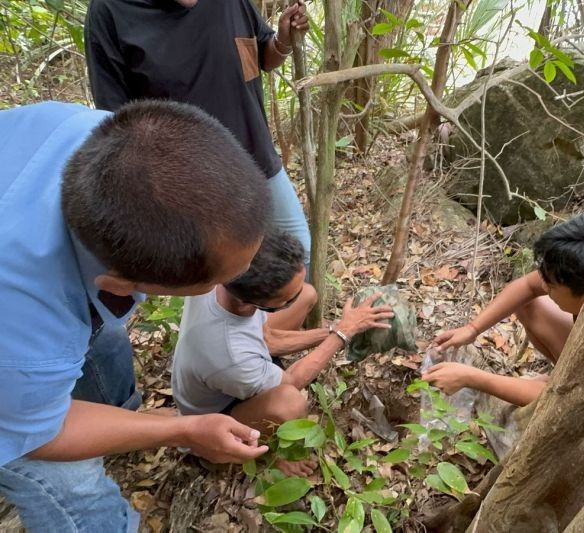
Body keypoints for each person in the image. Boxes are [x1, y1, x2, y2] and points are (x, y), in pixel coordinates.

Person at [0, 100, 276, 532]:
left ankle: (122, 425)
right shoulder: (25, 342)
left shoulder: (115, 142)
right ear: (121, 286)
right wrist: (181, 431)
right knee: (73, 490)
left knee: (105, 346)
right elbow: (44, 435)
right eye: (228, 277)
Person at [83, 0, 313, 267]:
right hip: (189, 187)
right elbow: (114, 118)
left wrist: (283, 39)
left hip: (255, 157)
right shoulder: (110, 10)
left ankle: (283, 310)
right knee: (219, 278)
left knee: (299, 254)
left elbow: (262, 56)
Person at [172, 232, 394, 474]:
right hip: (215, 415)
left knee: (308, 295)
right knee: (289, 403)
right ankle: (249, 453)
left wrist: (338, 328)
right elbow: (291, 382)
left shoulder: (226, 273)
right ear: (250, 304)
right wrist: (342, 335)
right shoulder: (231, 355)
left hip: (226, 371)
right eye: (286, 301)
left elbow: (268, 338)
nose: (294, 300)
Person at [423, 210, 584, 406]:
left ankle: (563, 378)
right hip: (583, 360)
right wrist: (472, 329)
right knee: (530, 304)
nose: (544, 286)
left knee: (558, 393)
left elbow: (563, 402)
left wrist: (471, 377)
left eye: (552, 285)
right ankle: (562, 374)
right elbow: (528, 286)